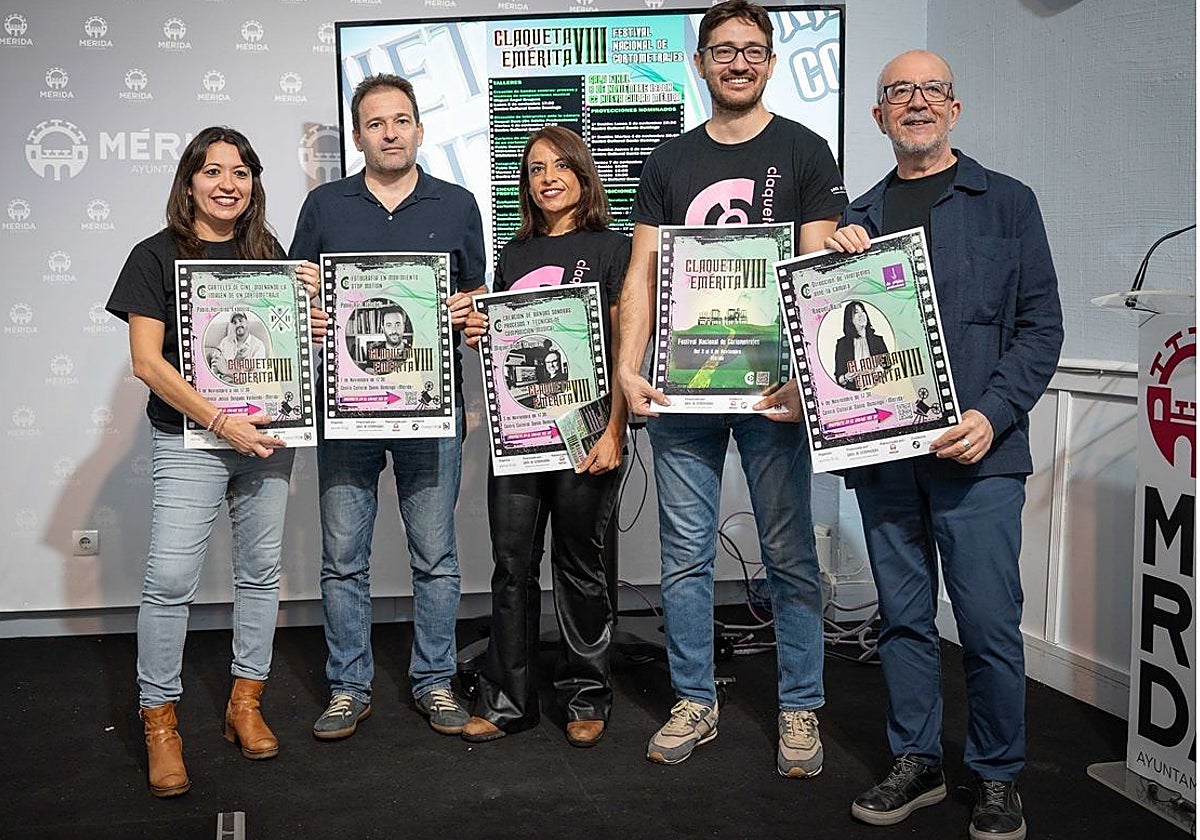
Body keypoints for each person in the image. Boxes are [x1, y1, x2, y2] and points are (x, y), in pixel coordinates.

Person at [825, 51, 1062, 840]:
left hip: (981, 457)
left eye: (932, 90)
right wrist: (833, 273)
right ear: (879, 116)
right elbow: (838, 345)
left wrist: (994, 414)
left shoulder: (1009, 204)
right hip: (887, 461)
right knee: (902, 621)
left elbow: (1041, 327)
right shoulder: (857, 221)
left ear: (954, 109)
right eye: (900, 92)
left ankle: (996, 776)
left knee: (989, 625)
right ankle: (917, 761)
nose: (917, 102)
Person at [616, 0, 846, 773]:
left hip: (773, 393)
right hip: (682, 390)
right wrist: (628, 368)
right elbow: (642, 275)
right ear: (701, 63)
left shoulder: (806, 151)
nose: (738, 62)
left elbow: (816, 272)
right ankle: (694, 700)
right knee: (683, 555)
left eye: (752, 49)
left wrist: (805, 377)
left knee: (789, 553)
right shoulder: (668, 161)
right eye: (723, 50)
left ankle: (801, 706)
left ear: (772, 62)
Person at [106, 126, 320, 797]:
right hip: (192, 440)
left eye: (241, 172)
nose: (229, 184)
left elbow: (286, 350)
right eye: (213, 171)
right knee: (170, 580)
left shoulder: (270, 255)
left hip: (267, 438)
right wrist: (221, 422)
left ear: (253, 183)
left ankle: (245, 703)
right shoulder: (154, 255)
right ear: (190, 181)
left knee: (259, 574)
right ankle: (160, 724)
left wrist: (311, 319)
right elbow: (147, 364)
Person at [290, 74, 486, 740]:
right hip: (347, 411)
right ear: (358, 136)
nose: (390, 133)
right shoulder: (324, 205)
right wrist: (309, 313)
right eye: (376, 123)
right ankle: (349, 687)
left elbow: (476, 300)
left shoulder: (457, 204)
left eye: (401, 120)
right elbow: (297, 300)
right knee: (343, 558)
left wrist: (469, 312)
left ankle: (434, 682)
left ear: (420, 130)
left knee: (436, 558)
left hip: (432, 411)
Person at [461, 126, 630, 747]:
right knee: (511, 567)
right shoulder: (514, 256)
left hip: (587, 431)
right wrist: (482, 334)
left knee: (580, 566)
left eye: (560, 166)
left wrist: (615, 430)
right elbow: (510, 347)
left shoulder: (614, 250)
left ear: (584, 175)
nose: (548, 178)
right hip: (519, 433)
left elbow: (624, 349)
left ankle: (587, 695)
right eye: (535, 169)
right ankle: (507, 700)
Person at [833, 300, 889, 390]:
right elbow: (839, 378)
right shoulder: (842, 345)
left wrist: (881, 370)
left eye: (862, 311)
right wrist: (846, 377)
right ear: (849, 319)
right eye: (856, 312)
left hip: (880, 389)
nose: (861, 315)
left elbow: (890, 367)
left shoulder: (878, 341)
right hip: (856, 392)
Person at [210, 311, 267, 382]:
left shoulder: (258, 346)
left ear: (247, 322)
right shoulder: (225, 341)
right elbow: (215, 363)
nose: (238, 325)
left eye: (240, 320)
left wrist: (227, 370)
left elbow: (256, 376)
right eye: (234, 322)